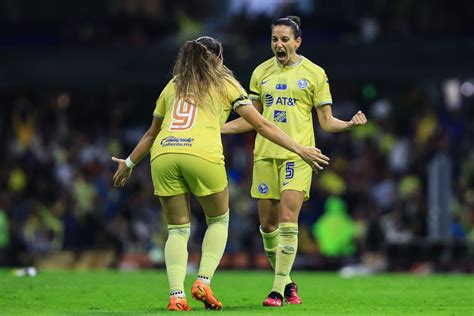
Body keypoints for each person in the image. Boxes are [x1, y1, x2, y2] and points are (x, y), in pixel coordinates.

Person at [112, 36, 330, 311]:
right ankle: (203, 281)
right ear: (217, 59)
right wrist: (300, 148)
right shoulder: (224, 82)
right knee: (218, 220)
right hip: (202, 154)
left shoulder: (173, 84)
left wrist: (129, 164)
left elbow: (151, 133)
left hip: (164, 154)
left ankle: (176, 296)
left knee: (178, 229)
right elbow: (262, 124)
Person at [222, 16, 368, 307]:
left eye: (285, 39)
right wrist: (214, 127)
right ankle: (288, 283)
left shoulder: (314, 73)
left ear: (297, 42)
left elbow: (326, 122)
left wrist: (349, 124)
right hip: (265, 155)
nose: (279, 44)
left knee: (289, 221)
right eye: (275, 39)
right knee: (267, 226)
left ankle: (276, 290)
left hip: (299, 155)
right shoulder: (260, 72)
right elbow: (251, 121)